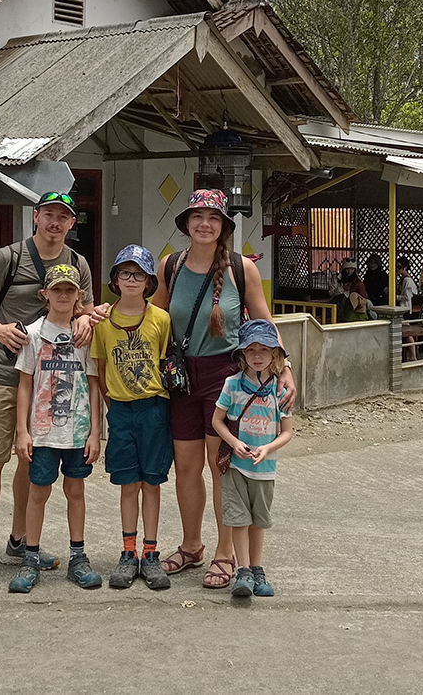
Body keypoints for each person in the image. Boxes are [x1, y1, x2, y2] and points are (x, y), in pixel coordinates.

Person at [0, 190, 107, 593]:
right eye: (49, 215)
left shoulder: (78, 265)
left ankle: (21, 541)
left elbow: (86, 310)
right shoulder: (8, 258)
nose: (55, 222)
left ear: (72, 223)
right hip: (4, 375)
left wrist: (87, 320)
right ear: (35, 217)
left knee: (30, 462)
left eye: (64, 216)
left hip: (53, 385)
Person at [152, 188, 296, 590]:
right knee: (186, 467)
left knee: (222, 469)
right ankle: (191, 544)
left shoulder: (240, 268)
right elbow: (153, 316)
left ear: (223, 227)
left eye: (212, 218)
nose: (204, 224)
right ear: (186, 224)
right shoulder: (171, 266)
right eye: (197, 217)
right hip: (181, 376)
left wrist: (286, 369)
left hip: (224, 375)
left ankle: (225, 552)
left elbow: (264, 322)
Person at [8, 263, 103, 593]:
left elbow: (94, 385)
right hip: (43, 432)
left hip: (77, 432)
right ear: (44, 294)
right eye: (57, 290)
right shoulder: (33, 334)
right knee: (38, 492)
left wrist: (95, 431)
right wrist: (22, 430)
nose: (63, 295)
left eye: (70, 290)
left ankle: (78, 556)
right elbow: (24, 384)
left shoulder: (85, 336)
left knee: (76, 491)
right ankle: (30, 558)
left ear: (80, 296)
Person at [90, 245, 174, 591]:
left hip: (154, 408)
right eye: (124, 273)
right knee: (128, 483)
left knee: (152, 482)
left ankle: (150, 553)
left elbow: (166, 362)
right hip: (121, 411)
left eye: (138, 274)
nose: (131, 280)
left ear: (149, 281)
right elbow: (99, 371)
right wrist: (108, 412)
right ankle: (128, 552)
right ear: (115, 279)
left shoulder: (160, 319)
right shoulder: (103, 323)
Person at [212, 319, 294, 599]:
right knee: (237, 519)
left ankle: (257, 568)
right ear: (242, 354)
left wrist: (268, 449)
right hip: (235, 466)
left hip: (265, 467)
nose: (257, 356)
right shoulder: (232, 384)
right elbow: (217, 421)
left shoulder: (279, 391)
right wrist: (234, 443)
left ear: (275, 355)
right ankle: (243, 570)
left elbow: (287, 432)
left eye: (264, 350)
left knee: (259, 520)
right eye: (251, 350)